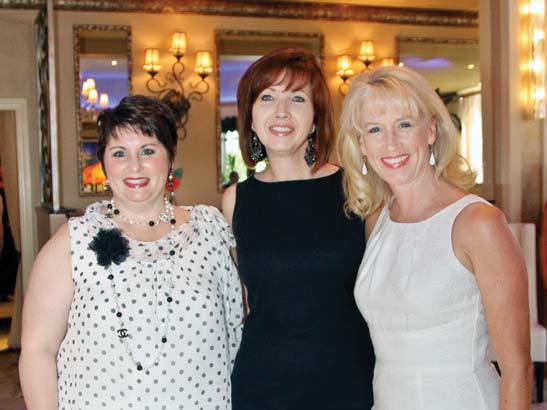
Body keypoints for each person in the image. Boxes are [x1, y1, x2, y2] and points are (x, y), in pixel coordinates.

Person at [19, 95, 243, 409]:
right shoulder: (73, 241)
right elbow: (37, 351)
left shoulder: (211, 230)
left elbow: (244, 326)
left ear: (170, 158)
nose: (134, 165)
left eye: (148, 151)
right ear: (104, 163)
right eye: (119, 153)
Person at [337, 65, 532, 410]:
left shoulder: (478, 223)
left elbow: (517, 369)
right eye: (375, 129)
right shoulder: (377, 218)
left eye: (404, 124)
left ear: (430, 130)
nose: (391, 143)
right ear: (361, 144)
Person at [222, 48, 375, 410]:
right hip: (261, 387)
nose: (281, 112)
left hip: (346, 383)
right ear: (250, 116)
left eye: (297, 98)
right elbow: (241, 300)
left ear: (316, 116)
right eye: (267, 98)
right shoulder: (235, 200)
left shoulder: (357, 188)